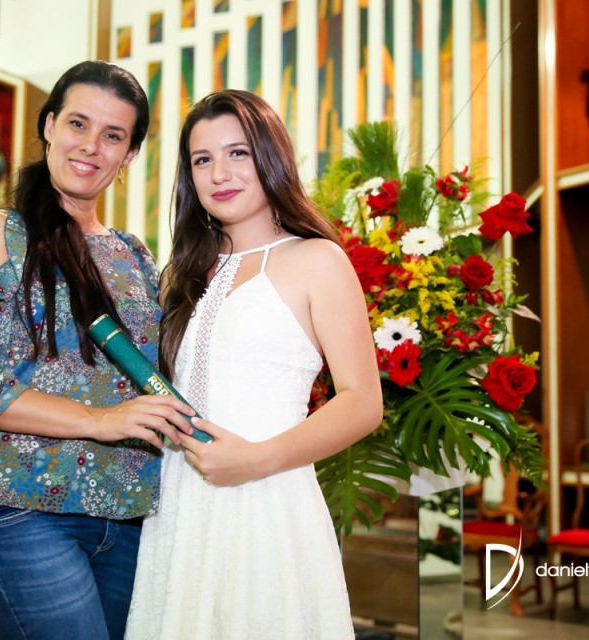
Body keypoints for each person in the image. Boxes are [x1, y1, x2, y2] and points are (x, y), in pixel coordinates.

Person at [0, 61, 194, 640]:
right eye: (77, 123)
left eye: (113, 135)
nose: (91, 145)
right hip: (24, 509)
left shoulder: (136, 255)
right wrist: (99, 420)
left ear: (129, 155)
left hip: (130, 517)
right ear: (49, 126)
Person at [125, 90, 383, 639]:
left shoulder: (317, 259)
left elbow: (363, 402)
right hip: (179, 506)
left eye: (237, 153)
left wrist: (255, 460)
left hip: (269, 499)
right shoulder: (181, 275)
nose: (219, 173)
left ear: (271, 156)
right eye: (202, 160)